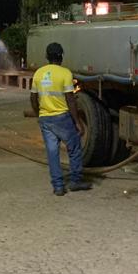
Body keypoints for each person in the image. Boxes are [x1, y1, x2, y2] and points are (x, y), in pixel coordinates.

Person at [30, 42, 93, 196]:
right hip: (62, 118)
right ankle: (75, 181)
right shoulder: (65, 73)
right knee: (74, 148)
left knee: (52, 152)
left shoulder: (38, 73)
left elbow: (32, 97)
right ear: (61, 56)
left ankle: (58, 186)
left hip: (45, 118)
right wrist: (77, 122)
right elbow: (70, 99)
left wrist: (39, 114)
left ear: (46, 56)